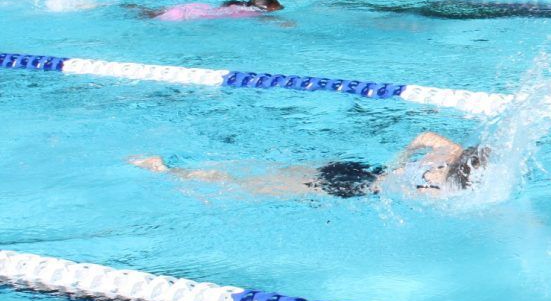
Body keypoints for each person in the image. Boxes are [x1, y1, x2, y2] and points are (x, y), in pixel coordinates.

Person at [129, 131, 486, 200]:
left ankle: (181, 167)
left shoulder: (447, 152)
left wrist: (397, 162)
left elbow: (424, 135)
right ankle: (167, 172)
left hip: (359, 169)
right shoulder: (443, 193)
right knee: (244, 188)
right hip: (354, 189)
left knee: (264, 173)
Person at [154, 0, 283, 21]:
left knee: (146, 13)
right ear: (266, 8)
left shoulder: (238, 6)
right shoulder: (253, 13)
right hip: (189, 15)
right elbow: (267, 20)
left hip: (193, 8)